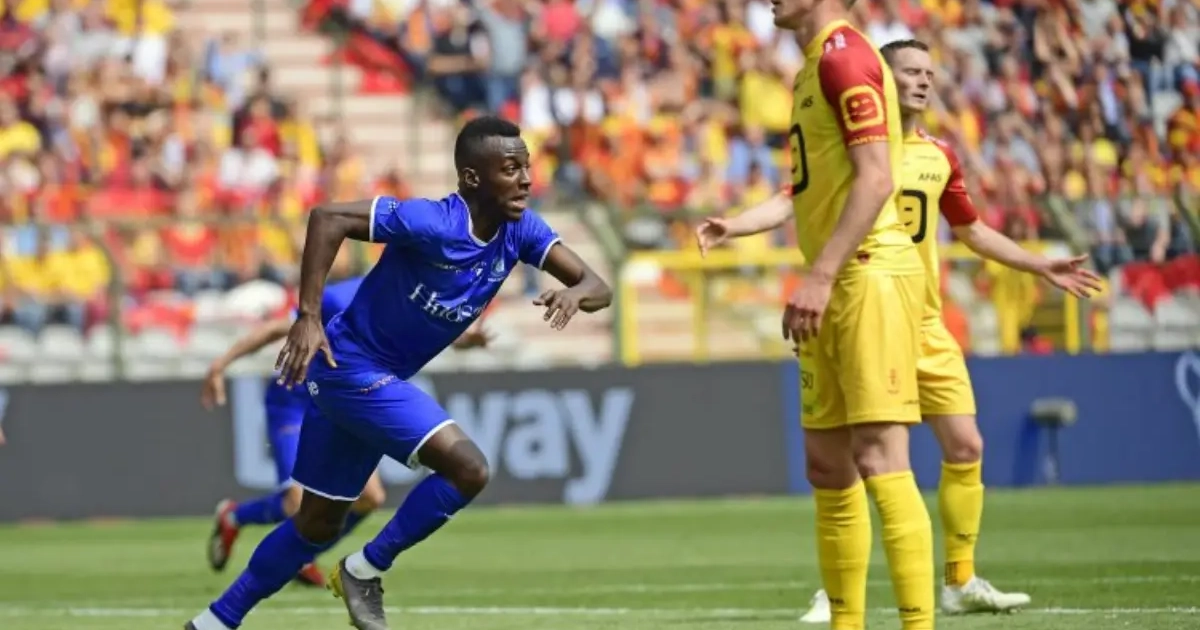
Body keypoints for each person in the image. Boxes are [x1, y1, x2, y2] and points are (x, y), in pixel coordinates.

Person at [697, 38, 1103, 623]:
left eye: (929, 73)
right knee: (860, 459)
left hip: (924, 319)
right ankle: (841, 587)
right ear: (881, 81)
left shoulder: (940, 156)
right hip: (867, 304)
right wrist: (735, 226)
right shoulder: (858, 149)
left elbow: (971, 230)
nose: (923, 81)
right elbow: (790, 200)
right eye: (910, 71)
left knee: (965, 445)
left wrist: (1038, 263)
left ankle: (959, 580)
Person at [183, 115, 612, 630]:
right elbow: (327, 217)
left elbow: (598, 285)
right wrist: (308, 316)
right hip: (350, 368)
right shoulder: (432, 222)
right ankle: (363, 569)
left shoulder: (522, 230)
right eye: (510, 169)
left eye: (526, 167)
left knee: (316, 524)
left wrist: (574, 293)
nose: (525, 179)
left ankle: (213, 622)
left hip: (361, 377)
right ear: (472, 178)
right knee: (469, 469)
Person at [697, 0, 936, 626]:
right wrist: (739, 226)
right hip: (834, 278)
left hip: (866, 274)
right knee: (828, 466)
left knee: (880, 456)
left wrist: (821, 276)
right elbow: (811, 184)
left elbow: (876, 178)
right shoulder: (810, 65)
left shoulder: (845, 57)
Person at [202, 276, 488, 587]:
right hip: (294, 402)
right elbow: (275, 329)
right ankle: (236, 517)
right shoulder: (342, 297)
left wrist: (462, 341)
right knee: (296, 503)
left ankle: (303, 556)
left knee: (370, 498)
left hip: (343, 404)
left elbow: (420, 332)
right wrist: (220, 364)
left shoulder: (406, 293)